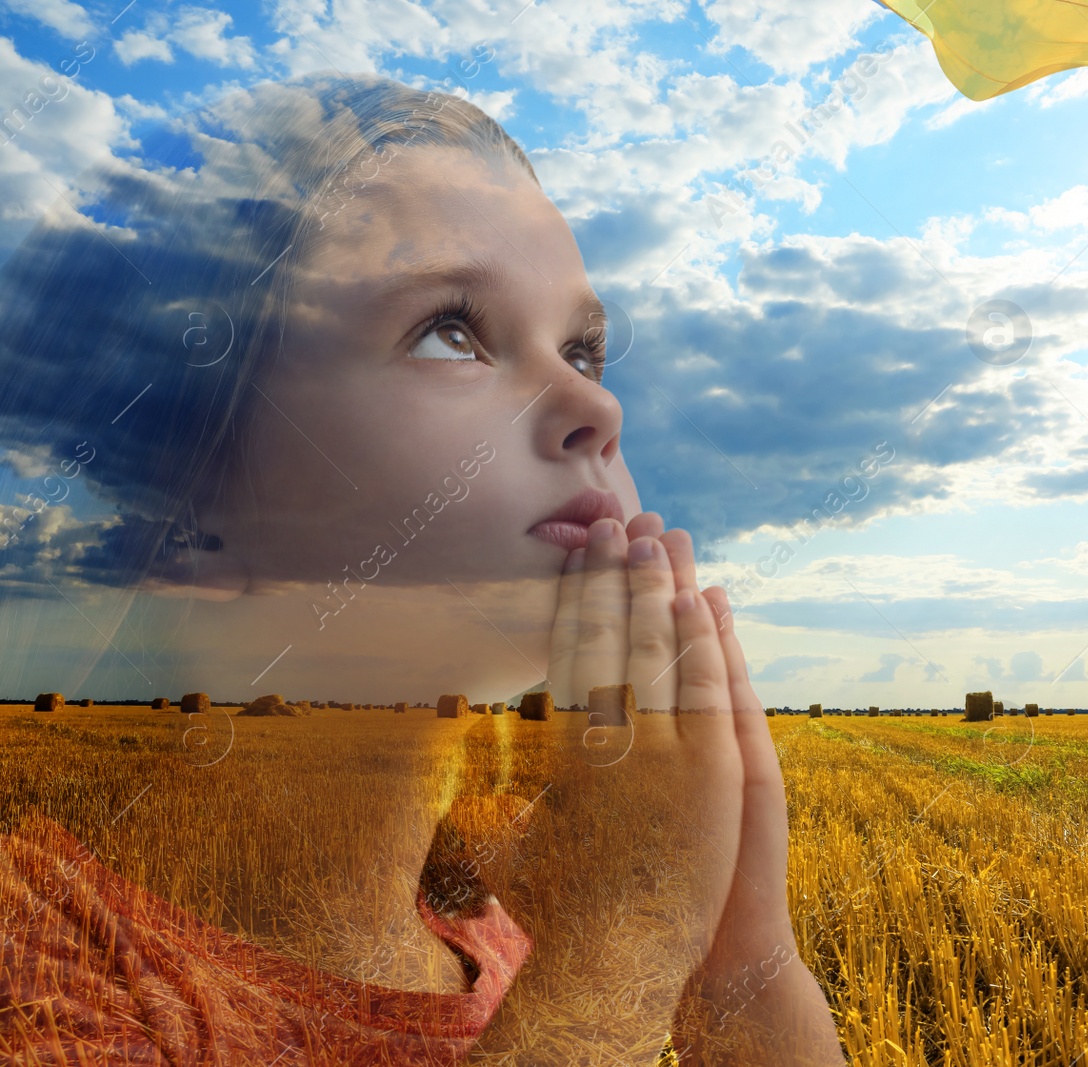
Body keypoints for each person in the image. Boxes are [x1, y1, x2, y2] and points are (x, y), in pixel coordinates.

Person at [0, 73, 844, 1065]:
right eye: (452, 330)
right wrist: (629, 940)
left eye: (584, 348)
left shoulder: (507, 942)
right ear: (188, 511)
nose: (596, 406)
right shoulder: (40, 955)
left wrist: (743, 961)